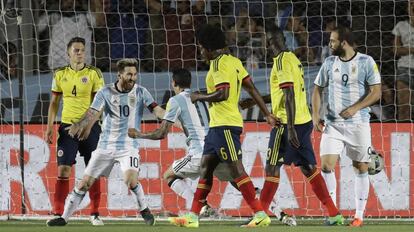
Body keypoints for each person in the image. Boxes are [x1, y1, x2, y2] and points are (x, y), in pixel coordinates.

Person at [168, 24, 278, 228]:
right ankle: (193, 217)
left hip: (225, 126)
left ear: (209, 47)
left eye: (201, 48)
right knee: (205, 168)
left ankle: (260, 213)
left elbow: (223, 93)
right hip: (217, 126)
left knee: (236, 170)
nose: (200, 52)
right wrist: (266, 113)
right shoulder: (234, 62)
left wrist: (198, 96)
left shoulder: (218, 64)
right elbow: (251, 88)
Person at [239, 26, 344, 226]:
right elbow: (285, 92)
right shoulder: (293, 59)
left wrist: (290, 129)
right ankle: (334, 213)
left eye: (271, 41)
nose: (269, 45)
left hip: (287, 123)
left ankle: (260, 216)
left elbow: (289, 96)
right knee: (308, 168)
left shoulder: (281, 61)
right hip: (302, 120)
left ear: (281, 41)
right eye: (267, 41)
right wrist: (254, 101)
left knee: (272, 168)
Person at [46, 58, 164, 226]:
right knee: (85, 183)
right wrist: (80, 125)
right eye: (129, 74)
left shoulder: (141, 92)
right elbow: (92, 113)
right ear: (119, 75)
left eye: (135, 74)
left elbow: (156, 109)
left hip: (128, 146)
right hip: (105, 146)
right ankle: (63, 217)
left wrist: (169, 117)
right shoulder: (105, 92)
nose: (133, 78)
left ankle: (144, 209)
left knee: (130, 180)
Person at [312, 26, 381, 227]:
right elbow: (317, 90)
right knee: (326, 166)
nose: (329, 44)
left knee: (360, 168)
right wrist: (315, 115)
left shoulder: (366, 61)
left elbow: (376, 92)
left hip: (358, 124)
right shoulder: (329, 63)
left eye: (332, 41)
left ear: (343, 42)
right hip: (333, 124)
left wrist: (355, 108)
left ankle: (359, 215)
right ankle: (333, 213)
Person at [128, 68, 211, 211]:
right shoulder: (201, 97)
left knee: (169, 175)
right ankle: (257, 202)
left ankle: (200, 207)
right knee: (236, 177)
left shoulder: (175, 100)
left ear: (173, 82)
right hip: (215, 148)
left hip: (199, 153)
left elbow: (161, 133)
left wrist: (138, 134)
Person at [44, 37, 104, 226]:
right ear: (68, 53)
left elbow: (99, 104)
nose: (80, 53)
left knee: (92, 170)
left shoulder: (94, 73)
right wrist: (49, 127)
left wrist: (86, 124)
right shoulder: (60, 74)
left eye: (82, 50)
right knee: (63, 169)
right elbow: (54, 103)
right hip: (67, 127)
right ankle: (58, 212)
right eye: (76, 50)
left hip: (90, 128)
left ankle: (94, 213)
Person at [392, 0, 414, 120]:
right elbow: (396, 49)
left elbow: (401, 49)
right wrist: (411, 50)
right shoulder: (401, 25)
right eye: (410, 4)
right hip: (405, 69)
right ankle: (403, 136)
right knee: (404, 107)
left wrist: (406, 49)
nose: (412, 6)